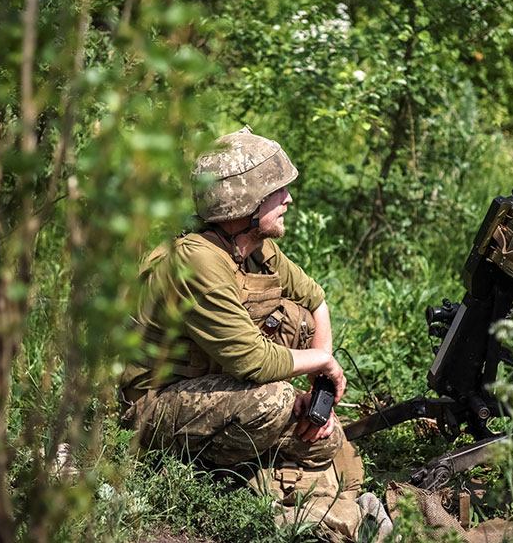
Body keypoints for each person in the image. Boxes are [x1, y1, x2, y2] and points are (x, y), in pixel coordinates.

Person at [119, 126, 348, 470]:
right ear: (246, 203)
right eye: (277, 190)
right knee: (275, 401)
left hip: (207, 389)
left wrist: (320, 391)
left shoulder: (252, 246)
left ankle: (248, 454)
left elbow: (315, 300)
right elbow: (254, 361)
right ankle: (197, 473)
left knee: (325, 440)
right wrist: (322, 363)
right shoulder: (197, 260)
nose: (288, 198)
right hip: (148, 405)